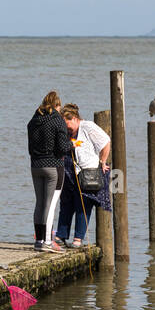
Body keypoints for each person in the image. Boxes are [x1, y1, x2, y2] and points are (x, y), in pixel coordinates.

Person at [57, 104, 112, 247]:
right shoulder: (66, 130)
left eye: (67, 124)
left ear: (74, 119)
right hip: (68, 169)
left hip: (86, 171)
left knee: (83, 203)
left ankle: (78, 239)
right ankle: (61, 236)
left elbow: (105, 141)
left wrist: (103, 161)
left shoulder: (88, 127)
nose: (66, 128)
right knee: (66, 203)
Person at [27, 90, 71, 252]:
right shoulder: (57, 121)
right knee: (50, 205)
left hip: (36, 166)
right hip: (53, 167)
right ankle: (47, 242)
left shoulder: (34, 120)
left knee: (40, 203)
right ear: (57, 106)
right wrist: (72, 144)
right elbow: (62, 147)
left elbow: (30, 147)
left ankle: (39, 240)